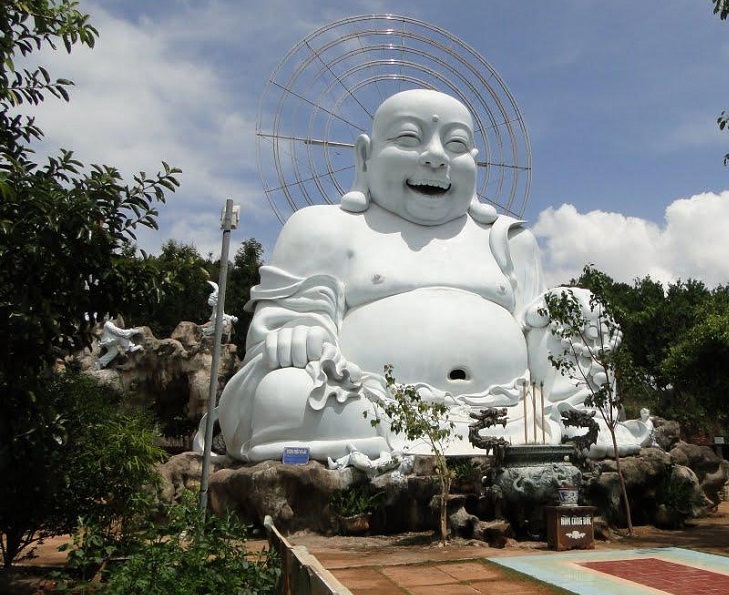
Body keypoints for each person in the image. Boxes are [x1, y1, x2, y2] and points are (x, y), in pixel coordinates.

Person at [213, 89, 646, 462]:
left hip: (515, 412)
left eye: (457, 145)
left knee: (578, 304)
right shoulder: (324, 227)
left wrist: (568, 312)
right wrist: (301, 331)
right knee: (284, 396)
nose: (436, 157)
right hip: (368, 405)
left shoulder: (508, 241)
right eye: (408, 138)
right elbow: (282, 325)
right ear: (365, 155)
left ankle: (572, 429)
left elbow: (537, 330)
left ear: (475, 163)